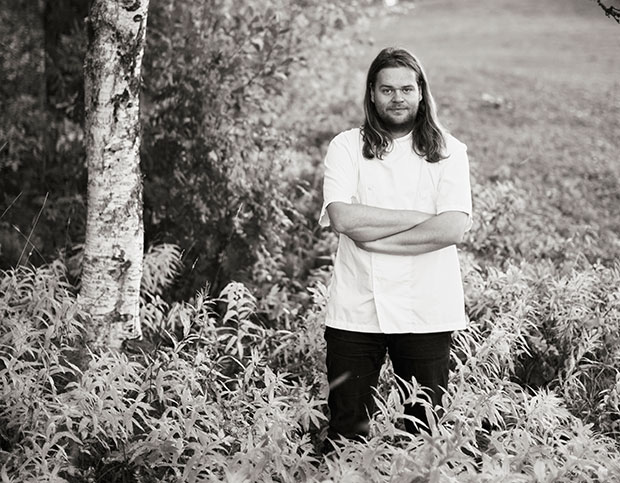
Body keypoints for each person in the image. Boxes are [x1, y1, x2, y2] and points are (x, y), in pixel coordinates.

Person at [319, 47, 473, 446]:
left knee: (423, 432)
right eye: (387, 89)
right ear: (371, 93)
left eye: (406, 88)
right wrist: (421, 217)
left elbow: (453, 228)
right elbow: (343, 219)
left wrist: (375, 235)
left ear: (421, 92)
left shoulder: (451, 152)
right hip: (356, 309)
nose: (397, 98)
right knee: (346, 429)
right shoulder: (346, 146)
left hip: (427, 310)